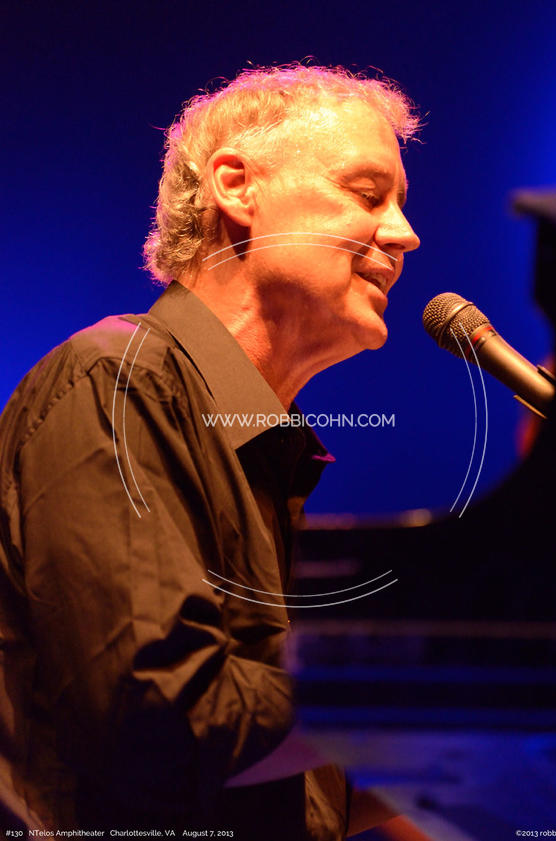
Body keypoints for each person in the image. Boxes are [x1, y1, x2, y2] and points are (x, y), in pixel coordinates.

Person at [0, 64, 421, 839]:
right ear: (236, 186)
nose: (404, 233)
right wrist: (420, 675)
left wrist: (493, 735)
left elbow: (284, 791)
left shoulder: (264, 451)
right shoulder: (114, 381)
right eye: (368, 195)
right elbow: (163, 714)